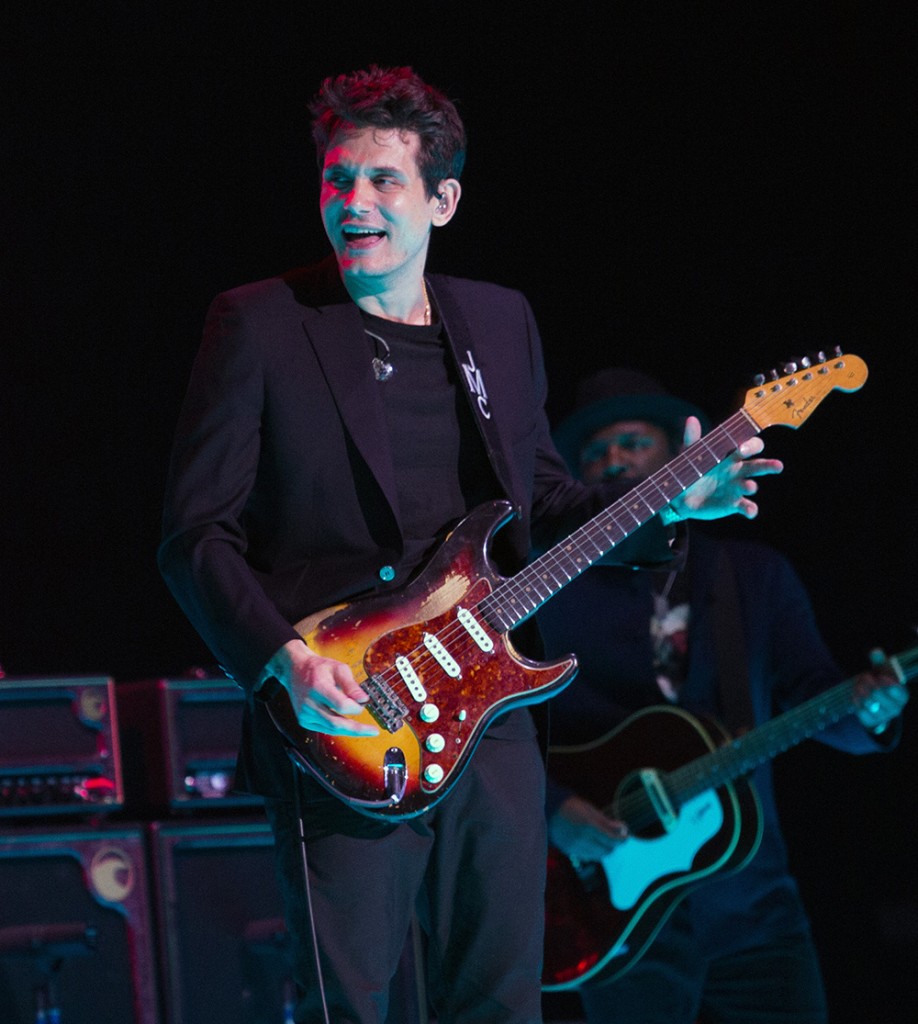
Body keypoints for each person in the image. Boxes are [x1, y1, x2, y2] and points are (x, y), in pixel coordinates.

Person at [157, 67, 782, 1024]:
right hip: (344, 713)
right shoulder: (260, 323)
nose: (353, 203)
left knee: (498, 998)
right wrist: (281, 664)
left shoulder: (496, 320)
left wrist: (671, 508)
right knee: (352, 1003)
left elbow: (542, 501)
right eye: (336, 180)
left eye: (382, 181)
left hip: (487, 713)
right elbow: (195, 535)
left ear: (442, 200)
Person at [536, 367, 909, 1024]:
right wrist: (554, 808)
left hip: (754, 912)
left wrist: (873, 711)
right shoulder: (555, 596)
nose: (614, 461)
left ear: (679, 458)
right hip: (615, 918)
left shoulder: (754, 578)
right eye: (595, 456)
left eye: (632, 442)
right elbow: (507, 732)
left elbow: (818, 701)